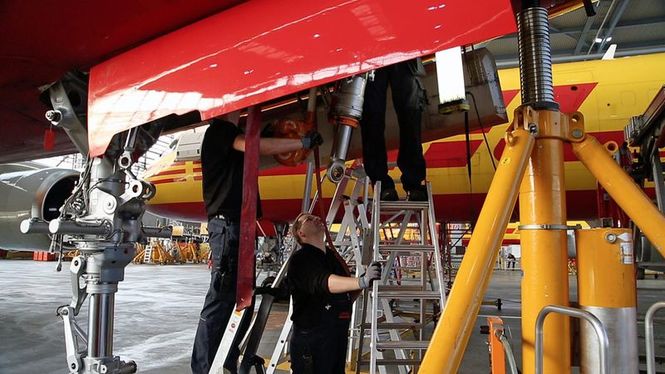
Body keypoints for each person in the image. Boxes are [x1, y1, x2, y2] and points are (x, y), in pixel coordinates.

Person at [191, 117, 323, 374]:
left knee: (242, 301)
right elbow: (253, 147)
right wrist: (299, 142)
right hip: (229, 226)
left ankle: (225, 361)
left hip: (238, 226)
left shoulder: (232, 134)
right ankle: (206, 367)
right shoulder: (221, 131)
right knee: (223, 300)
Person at [287, 212, 381, 374]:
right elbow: (324, 282)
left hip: (335, 334)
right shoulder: (301, 259)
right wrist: (361, 281)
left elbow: (343, 296)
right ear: (301, 233)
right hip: (312, 338)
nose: (316, 218)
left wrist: (363, 283)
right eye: (308, 220)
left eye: (315, 216)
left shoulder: (331, 257)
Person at [360, 58, 428, 201]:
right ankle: (383, 184)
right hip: (376, 51)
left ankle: (411, 183)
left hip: (398, 48)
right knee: (373, 117)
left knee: (409, 116)